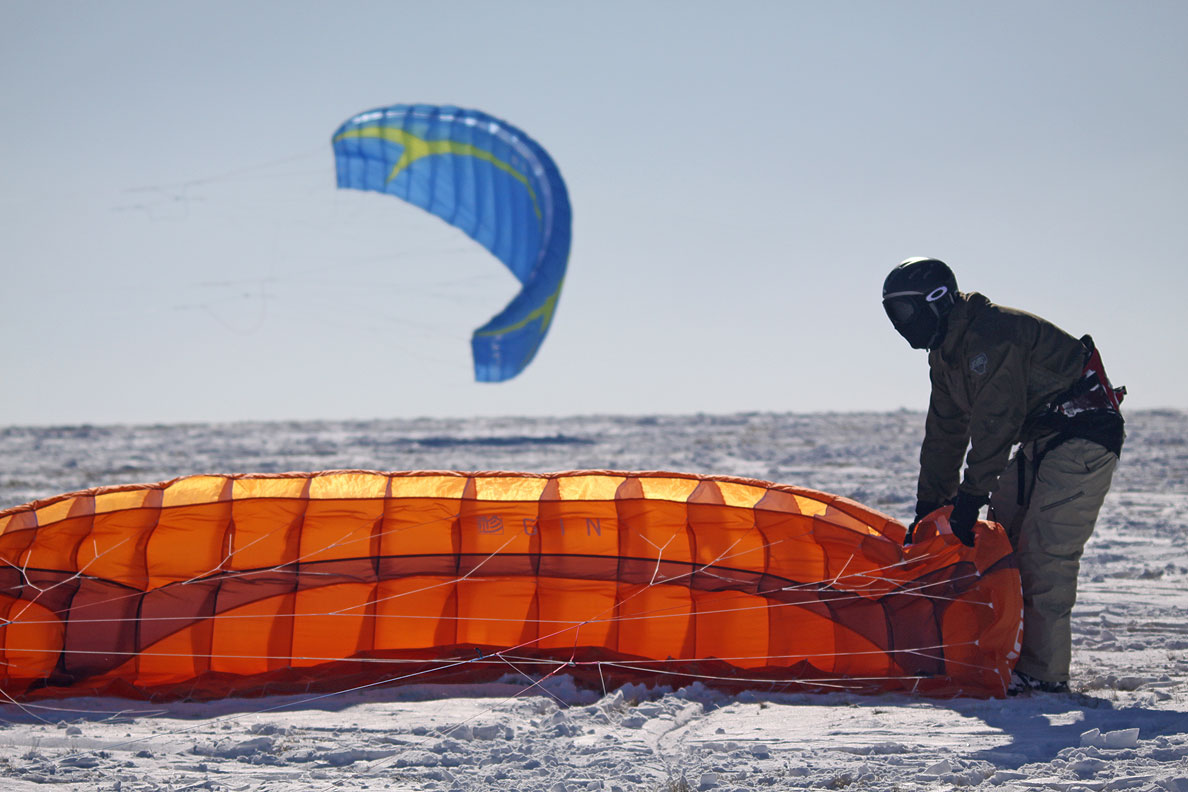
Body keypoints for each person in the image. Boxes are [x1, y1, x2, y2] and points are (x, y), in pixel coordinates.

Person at [882, 257, 1125, 695]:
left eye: (904, 310)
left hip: (1085, 432)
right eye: (891, 313)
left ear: (936, 301)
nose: (899, 324)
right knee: (1000, 542)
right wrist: (931, 505)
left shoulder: (992, 336)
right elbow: (945, 431)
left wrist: (969, 497)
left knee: (1044, 553)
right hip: (1044, 438)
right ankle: (1007, 653)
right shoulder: (946, 353)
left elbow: (996, 421)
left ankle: (1044, 674)